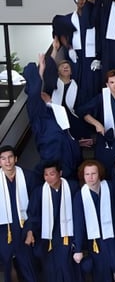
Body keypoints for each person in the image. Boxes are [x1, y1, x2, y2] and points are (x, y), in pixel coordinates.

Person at [23, 59, 81, 180]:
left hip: (66, 150)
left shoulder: (54, 109)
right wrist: (40, 70)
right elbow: (34, 91)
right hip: (52, 150)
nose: (44, 94)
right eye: (41, 94)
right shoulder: (35, 108)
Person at [72, 160, 115, 282]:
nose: (90, 177)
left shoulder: (110, 188)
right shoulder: (80, 196)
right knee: (102, 271)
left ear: (99, 174)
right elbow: (78, 224)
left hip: (114, 236)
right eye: (87, 174)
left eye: (93, 173)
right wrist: (78, 249)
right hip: (96, 241)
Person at [27, 161, 81, 282]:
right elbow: (33, 214)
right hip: (47, 238)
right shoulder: (39, 192)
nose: (48, 178)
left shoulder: (72, 187)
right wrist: (30, 231)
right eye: (46, 174)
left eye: (52, 174)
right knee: (50, 270)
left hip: (67, 235)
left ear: (60, 173)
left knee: (67, 268)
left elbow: (79, 213)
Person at [0, 146, 36, 282]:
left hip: (24, 227)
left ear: (16, 159)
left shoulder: (28, 177)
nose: (7, 162)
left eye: (10, 157)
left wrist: (31, 230)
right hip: (4, 230)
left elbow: (34, 208)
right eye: (3, 159)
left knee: (27, 265)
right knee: (8, 265)